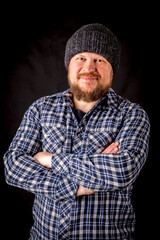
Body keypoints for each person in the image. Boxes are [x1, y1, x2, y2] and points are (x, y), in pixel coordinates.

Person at [4, 23, 150, 240]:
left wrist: (50, 159)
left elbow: (123, 170)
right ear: (69, 64)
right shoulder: (41, 109)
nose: (89, 68)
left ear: (112, 68)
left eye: (99, 60)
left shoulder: (132, 115)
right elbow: (13, 166)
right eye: (80, 58)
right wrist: (79, 187)